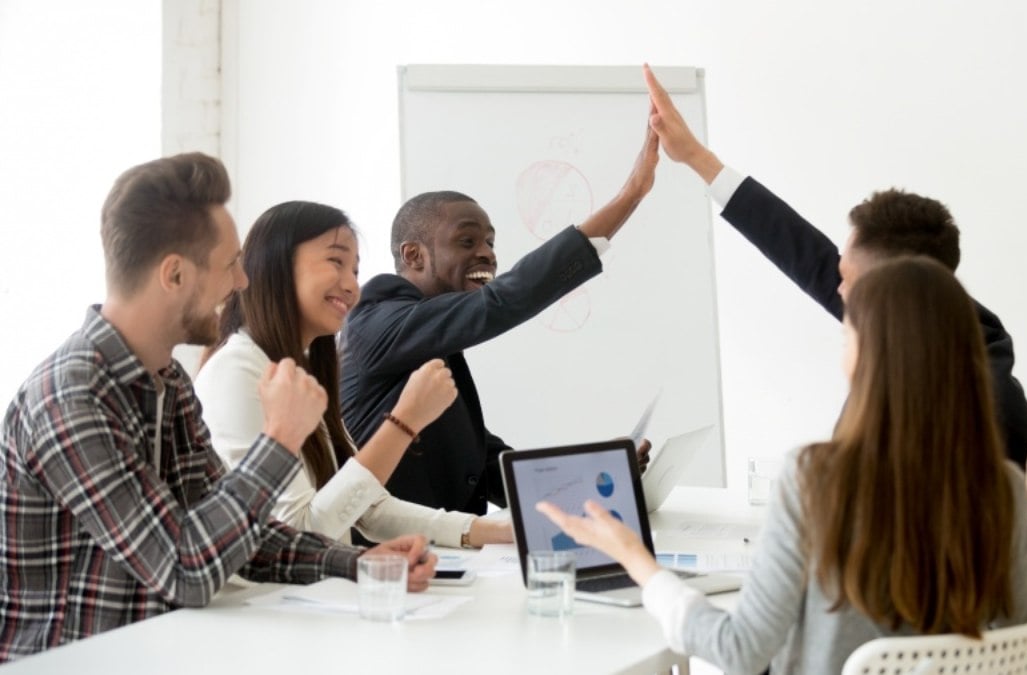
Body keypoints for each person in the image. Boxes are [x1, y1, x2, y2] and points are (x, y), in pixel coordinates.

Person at [641, 64, 1027, 675]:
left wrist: (638, 562)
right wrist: (697, 158)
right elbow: (810, 257)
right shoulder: (950, 347)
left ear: (889, 297)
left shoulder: (967, 394)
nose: (837, 289)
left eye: (849, 286)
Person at [539, 256, 1027, 674]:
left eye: (847, 335)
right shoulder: (1001, 484)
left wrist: (636, 559)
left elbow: (740, 652)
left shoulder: (816, 479)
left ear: (872, 356)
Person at [0, 154, 435, 662]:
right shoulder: (72, 395)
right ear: (175, 275)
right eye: (230, 263)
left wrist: (357, 563)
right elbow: (187, 569)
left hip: (161, 653)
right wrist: (278, 442)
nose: (242, 283)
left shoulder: (170, 385)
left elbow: (235, 534)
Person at [339, 117, 659, 527]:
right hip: (388, 565)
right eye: (467, 241)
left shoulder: (433, 343)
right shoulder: (376, 316)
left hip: (449, 560)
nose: (487, 254)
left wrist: (596, 470)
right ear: (414, 255)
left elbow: (488, 469)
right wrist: (630, 195)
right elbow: (503, 301)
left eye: (490, 242)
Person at [195, 200, 512, 548]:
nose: (351, 286)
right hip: (269, 599)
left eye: (356, 271)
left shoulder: (303, 373)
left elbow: (367, 509)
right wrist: (405, 421)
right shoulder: (236, 372)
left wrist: (491, 532)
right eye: (336, 262)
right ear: (276, 265)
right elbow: (300, 534)